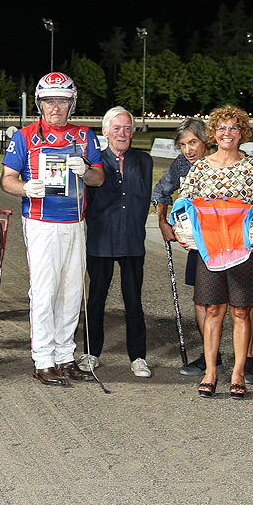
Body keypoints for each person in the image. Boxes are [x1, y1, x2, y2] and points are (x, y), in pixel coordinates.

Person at [0, 72, 104, 385]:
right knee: (45, 293)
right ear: (40, 103)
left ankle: (65, 355)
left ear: (71, 103)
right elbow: (7, 179)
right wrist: (25, 188)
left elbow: (99, 178)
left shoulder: (85, 135)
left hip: (75, 223)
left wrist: (85, 170)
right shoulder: (24, 136)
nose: (55, 106)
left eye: (61, 100)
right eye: (49, 100)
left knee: (72, 292)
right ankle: (43, 359)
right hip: (41, 224)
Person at [177, 105, 253, 398]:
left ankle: (238, 373)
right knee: (213, 310)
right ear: (213, 133)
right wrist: (184, 235)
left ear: (242, 132)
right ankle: (210, 371)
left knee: (241, 311)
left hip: (243, 249)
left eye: (233, 128)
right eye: (221, 128)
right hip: (210, 250)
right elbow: (184, 206)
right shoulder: (201, 167)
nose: (227, 133)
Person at [83, 106, 155, 378]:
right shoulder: (95, 161)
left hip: (132, 241)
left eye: (127, 128)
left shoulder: (144, 161)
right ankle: (91, 352)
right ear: (105, 131)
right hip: (101, 239)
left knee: (133, 300)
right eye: (117, 128)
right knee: (96, 300)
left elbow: (144, 197)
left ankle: (138, 356)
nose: (122, 133)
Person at [152, 118, 210, 375]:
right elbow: (160, 191)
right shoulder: (182, 165)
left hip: (231, 241)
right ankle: (211, 356)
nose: (188, 150)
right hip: (198, 243)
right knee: (202, 299)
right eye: (183, 144)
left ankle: (248, 360)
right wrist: (163, 222)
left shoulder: (223, 159)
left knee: (241, 304)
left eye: (193, 142)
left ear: (206, 141)